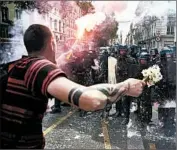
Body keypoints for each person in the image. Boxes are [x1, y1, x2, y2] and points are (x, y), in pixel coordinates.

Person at [0, 24, 145, 149]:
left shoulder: (14, 66)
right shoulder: (39, 67)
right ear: (52, 44)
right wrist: (125, 86)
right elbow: (92, 100)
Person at [115, 44, 137, 125]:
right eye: (121, 50)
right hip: (119, 82)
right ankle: (119, 112)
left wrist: (126, 73)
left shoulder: (131, 60)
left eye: (124, 50)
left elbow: (134, 72)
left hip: (127, 83)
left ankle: (126, 117)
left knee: (126, 101)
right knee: (118, 99)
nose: (122, 52)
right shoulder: (116, 59)